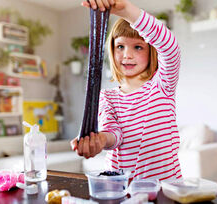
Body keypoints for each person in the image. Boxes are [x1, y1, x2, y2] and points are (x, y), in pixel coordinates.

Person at [71, 0, 182, 181]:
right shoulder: (107, 96)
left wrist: (127, 10)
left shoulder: (163, 85)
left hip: (165, 187)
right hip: (120, 188)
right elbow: (114, 134)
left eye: (138, 47)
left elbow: (170, 47)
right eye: (120, 46)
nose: (127, 55)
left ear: (151, 51)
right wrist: (100, 140)